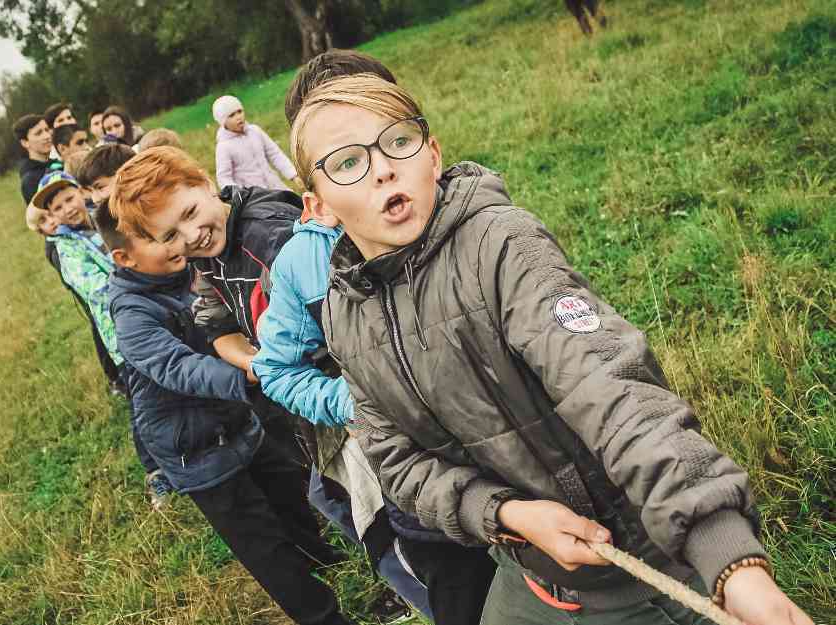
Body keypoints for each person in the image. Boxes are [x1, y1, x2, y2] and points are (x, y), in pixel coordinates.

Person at [289, 73, 814, 625]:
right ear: (318, 206)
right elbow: (398, 465)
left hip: (637, 561)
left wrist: (727, 557)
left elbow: (610, 387)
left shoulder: (501, 246)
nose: (382, 167)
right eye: (347, 162)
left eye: (398, 141)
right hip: (527, 571)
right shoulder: (343, 317)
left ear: (434, 155)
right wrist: (506, 514)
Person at [252, 49, 504, 625]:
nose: (376, 167)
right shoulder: (306, 266)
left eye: (387, 135)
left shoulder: (479, 231)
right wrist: (357, 403)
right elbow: (276, 367)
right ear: (316, 185)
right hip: (422, 497)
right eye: (344, 158)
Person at [103, 151, 356, 625]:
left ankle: (323, 557)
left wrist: (257, 368)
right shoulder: (132, 314)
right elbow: (178, 367)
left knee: (291, 494)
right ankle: (321, 614)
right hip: (195, 449)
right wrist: (254, 373)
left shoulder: (207, 258)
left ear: (204, 185)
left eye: (188, 218)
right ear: (129, 254)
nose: (184, 242)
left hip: (240, 418)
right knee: (260, 539)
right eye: (167, 239)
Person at [31, 172, 171, 508]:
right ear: (51, 216)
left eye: (68, 198)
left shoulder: (106, 221)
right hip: (123, 335)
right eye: (57, 207)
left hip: (157, 313)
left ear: (81, 194)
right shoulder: (67, 248)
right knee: (144, 404)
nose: (67, 209)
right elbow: (96, 289)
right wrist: (140, 278)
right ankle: (155, 472)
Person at [212, 94, 302, 191]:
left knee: (295, 204)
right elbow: (223, 177)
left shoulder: (255, 131)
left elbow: (275, 154)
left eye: (239, 111)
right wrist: (238, 194)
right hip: (255, 197)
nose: (238, 117)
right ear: (223, 122)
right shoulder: (224, 147)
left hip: (275, 186)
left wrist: (293, 174)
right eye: (231, 115)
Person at [13, 114, 60, 204]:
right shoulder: (30, 180)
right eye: (38, 133)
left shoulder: (58, 164)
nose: (47, 136)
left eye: (47, 130)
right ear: (25, 143)